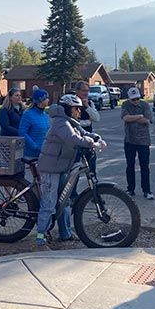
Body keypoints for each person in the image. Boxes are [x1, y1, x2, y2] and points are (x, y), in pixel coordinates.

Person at [35, 94, 100, 245]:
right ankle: (40, 236)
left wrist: (97, 138)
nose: (79, 111)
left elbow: (84, 133)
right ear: (67, 109)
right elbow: (72, 139)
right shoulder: (60, 122)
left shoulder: (71, 122)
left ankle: (65, 233)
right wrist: (90, 143)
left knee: (64, 201)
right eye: (76, 108)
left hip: (62, 167)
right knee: (49, 203)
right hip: (51, 168)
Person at [122, 87, 154, 199]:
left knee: (144, 166)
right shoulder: (125, 105)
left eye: (137, 99)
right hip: (130, 140)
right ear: (129, 99)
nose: (136, 101)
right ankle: (130, 189)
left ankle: (147, 190)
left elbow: (147, 120)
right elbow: (125, 118)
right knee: (130, 165)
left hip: (143, 140)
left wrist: (134, 118)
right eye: (133, 99)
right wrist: (139, 116)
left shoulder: (145, 105)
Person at [74, 81, 100, 175]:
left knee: (91, 168)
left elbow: (96, 118)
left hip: (88, 139)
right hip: (75, 140)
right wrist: (87, 122)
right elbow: (71, 122)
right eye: (83, 90)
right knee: (74, 170)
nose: (86, 93)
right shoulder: (71, 103)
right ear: (77, 91)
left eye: (87, 91)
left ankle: (93, 183)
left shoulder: (89, 103)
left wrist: (87, 106)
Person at [18, 88, 50, 159]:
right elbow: (22, 132)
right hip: (31, 155)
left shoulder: (44, 114)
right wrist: (34, 146)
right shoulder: (28, 114)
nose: (48, 100)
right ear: (40, 100)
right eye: (46, 98)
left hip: (44, 153)